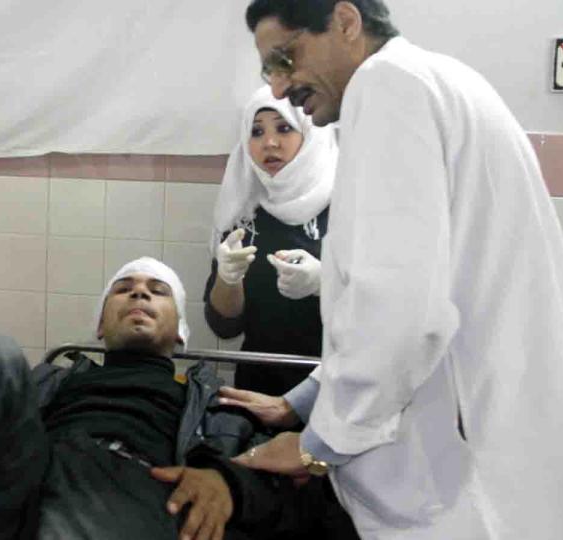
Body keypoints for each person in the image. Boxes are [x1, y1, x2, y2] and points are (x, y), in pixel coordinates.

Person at [235, 1, 563, 538]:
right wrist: (303, 401)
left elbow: (398, 310)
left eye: (286, 58)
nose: (277, 88)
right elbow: (409, 293)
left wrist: (315, 447)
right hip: (494, 447)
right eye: (268, 70)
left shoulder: (385, 88)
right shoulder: (438, 80)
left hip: (457, 485)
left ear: (345, 22)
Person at [0, 258, 297, 540]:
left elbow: (282, 487)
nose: (139, 292)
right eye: (124, 288)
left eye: (157, 292)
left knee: (89, 481)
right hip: (31, 480)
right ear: (100, 326)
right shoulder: (51, 378)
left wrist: (228, 482)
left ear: (180, 332)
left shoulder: (219, 403)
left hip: (144, 491)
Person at [205, 88, 354, 539]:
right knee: (265, 517)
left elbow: (384, 315)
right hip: (259, 386)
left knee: (331, 517)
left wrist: (324, 283)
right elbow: (224, 325)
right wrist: (228, 281)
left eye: (284, 128)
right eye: (256, 132)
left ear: (311, 134)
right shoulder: (244, 213)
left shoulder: (348, 207)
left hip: (336, 390)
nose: (268, 144)